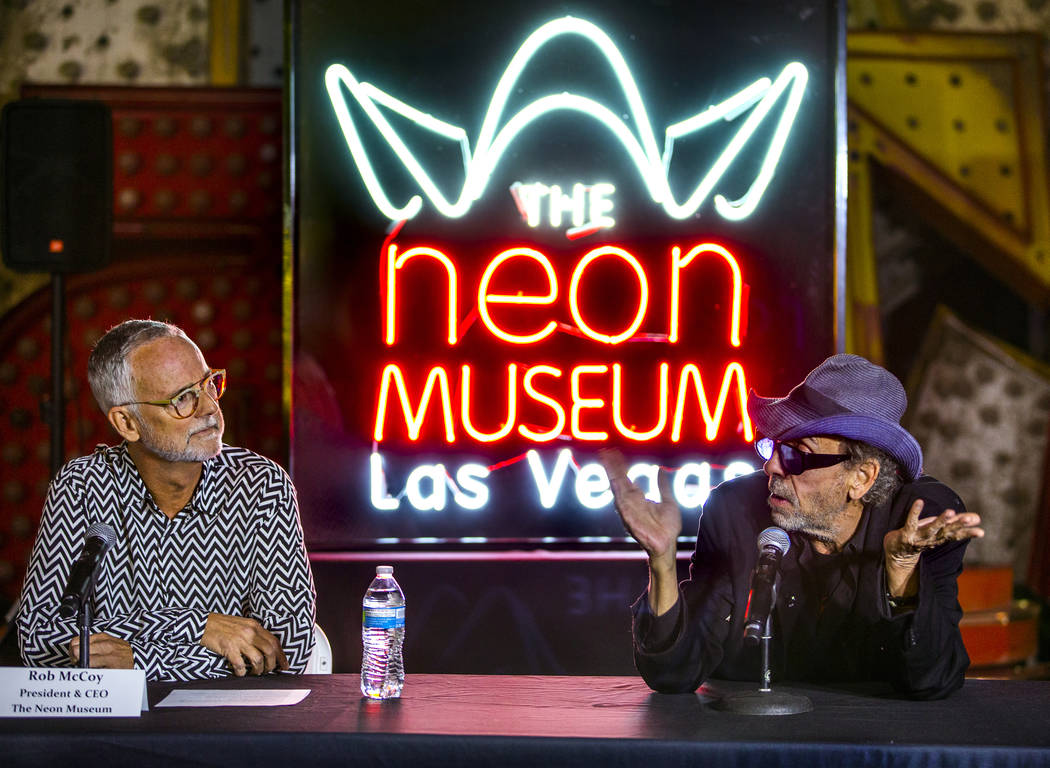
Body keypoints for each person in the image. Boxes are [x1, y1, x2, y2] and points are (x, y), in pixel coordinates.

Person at [600, 354, 983, 699]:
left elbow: (932, 680)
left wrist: (902, 572)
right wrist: (663, 563)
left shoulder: (920, 521)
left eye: (796, 456)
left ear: (861, 478)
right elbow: (673, 673)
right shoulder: (735, 511)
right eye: (773, 447)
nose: (771, 467)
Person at [17, 319, 316, 681]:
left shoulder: (261, 484)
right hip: (112, 730)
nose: (209, 407)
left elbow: (288, 647)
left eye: (209, 384)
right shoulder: (81, 486)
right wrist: (200, 627)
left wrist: (137, 662)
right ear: (127, 423)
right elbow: (40, 639)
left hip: (229, 727)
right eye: (182, 398)